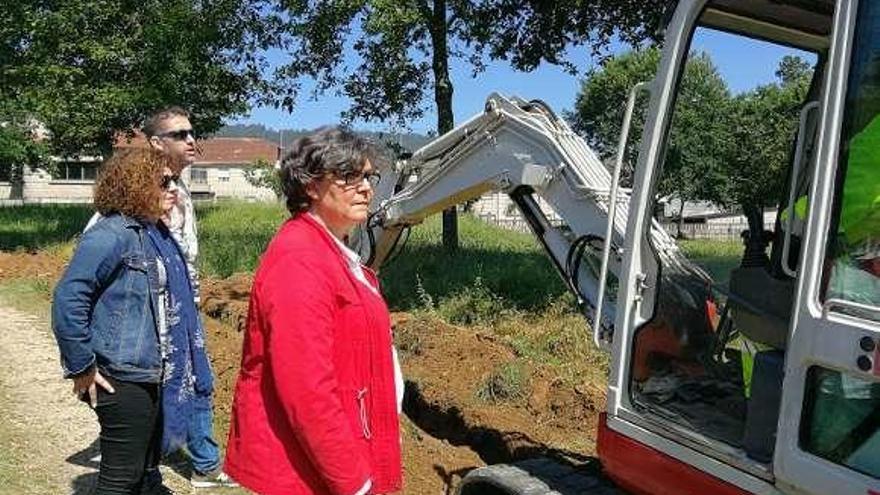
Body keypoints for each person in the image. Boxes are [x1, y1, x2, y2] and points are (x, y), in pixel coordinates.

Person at [224, 127, 403, 495]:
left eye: (369, 176)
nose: (366, 187)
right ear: (309, 185)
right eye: (349, 176)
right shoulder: (300, 260)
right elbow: (307, 389)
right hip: (305, 475)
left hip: (338, 456)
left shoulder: (332, 252)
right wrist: (354, 483)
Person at [84, 107, 235, 489]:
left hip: (180, 321)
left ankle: (183, 463)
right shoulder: (120, 218)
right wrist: (89, 357)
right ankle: (203, 461)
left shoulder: (177, 190)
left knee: (194, 382)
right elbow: (86, 279)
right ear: (155, 143)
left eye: (192, 133)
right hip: (141, 339)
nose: (191, 141)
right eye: (180, 134)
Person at [52, 149, 194, 493]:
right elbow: (68, 298)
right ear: (135, 185)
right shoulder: (112, 234)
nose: (173, 188)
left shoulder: (154, 234)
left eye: (173, 180)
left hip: (153, 369)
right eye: (163, 182)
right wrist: (82, 366)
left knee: (145, 473)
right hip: (121, 373)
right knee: (121, 480)